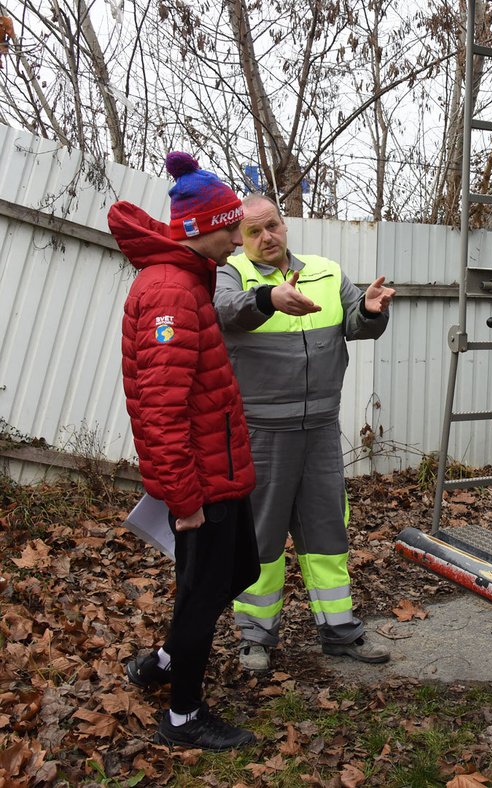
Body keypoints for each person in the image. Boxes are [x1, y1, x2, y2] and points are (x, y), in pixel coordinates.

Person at [108, 152, 261, 751]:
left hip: (222, 470)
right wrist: (183, 497)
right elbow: (160, 408)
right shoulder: (171, 294)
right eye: (232, 230)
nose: (238, 240)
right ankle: (182, 717)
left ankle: (166, 660)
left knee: (241, 570)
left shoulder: (188, 281)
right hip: (201, 479)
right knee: (201, 596)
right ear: (203, 230)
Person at [213, 194, 395, 671]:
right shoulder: (233, 275)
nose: (267, 236)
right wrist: (269, 297)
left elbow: (359, 321)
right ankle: (255, 636)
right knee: (261, 537)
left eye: (272, 225)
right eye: (254, 232)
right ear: (241, 238)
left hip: (320, 430)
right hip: (262, 434)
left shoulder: (326, 271)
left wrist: (373, 312)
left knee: (328, 532)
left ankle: (338, 631)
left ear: (284, 224)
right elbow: (226, 312)